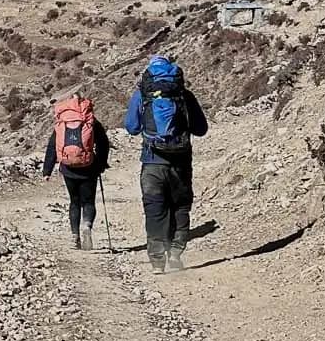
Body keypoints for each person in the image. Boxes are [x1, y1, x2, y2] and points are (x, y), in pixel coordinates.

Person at [123, 55, 208, 274]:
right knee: (179, 206)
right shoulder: (184, 95)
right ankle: (176, 254)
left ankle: (157, 261)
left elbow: (131, 127)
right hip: (180, 163)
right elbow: (201, 129)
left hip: (152, 162)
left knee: (155, 210)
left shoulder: (142, 95)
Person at [42, 93, 112, 249]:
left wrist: (47, 170)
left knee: (74, 202)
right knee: (88, 201)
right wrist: (101, 163)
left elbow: (53, 146)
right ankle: (87, 225)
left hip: (68, 168)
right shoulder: (90, 121)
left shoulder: (62, 122)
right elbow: (103, 144)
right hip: (89, 168)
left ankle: (75, 236)